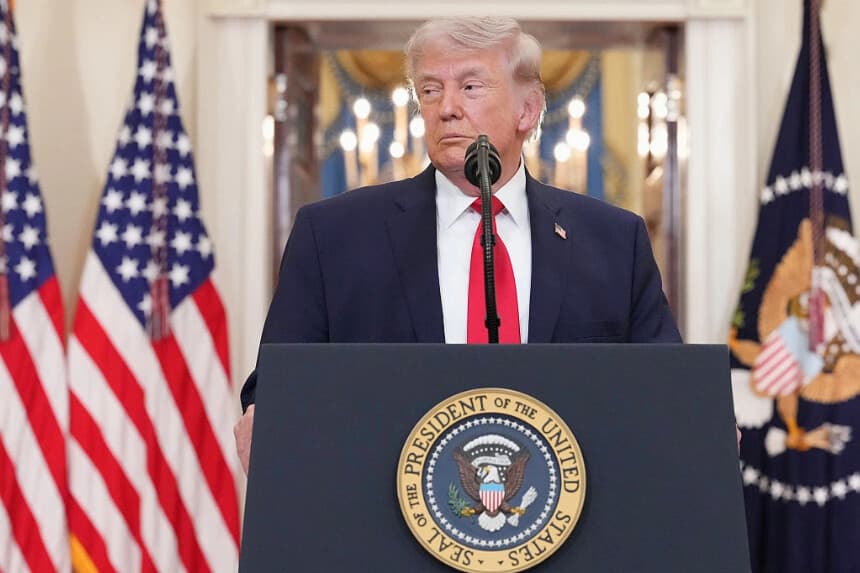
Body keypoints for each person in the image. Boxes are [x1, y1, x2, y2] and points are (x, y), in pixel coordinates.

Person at [234, 17, 683, 473]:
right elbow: (277, 390)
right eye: (430, 90)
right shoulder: (332, 236)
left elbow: (667, 394)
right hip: (381, 521)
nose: (446, 107)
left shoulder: (612, 240)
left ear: (527, 110)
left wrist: (697, 423)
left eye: (470, 87)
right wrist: (266, 419)